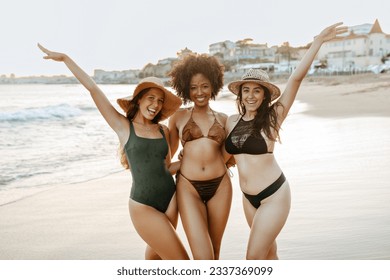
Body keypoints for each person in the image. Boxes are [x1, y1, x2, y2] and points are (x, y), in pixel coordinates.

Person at [37, 44, 189, 260]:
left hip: (171, 201)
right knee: (182, 263)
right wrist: (65, 58)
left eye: (160, 100)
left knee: (155, 262)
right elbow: (93, 89)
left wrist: (184, 162)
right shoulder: (123, 126)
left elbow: (165, 168)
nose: (155, 105)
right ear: (139, 99)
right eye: (151, 98)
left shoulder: (163, 130)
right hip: (143, 207)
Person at [224, 22, 348, 259]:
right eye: (246, 90)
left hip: (273, 195)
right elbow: (224, 154)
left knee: (252, 259)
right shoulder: (230, 121)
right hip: (248, 198)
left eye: (257, 91)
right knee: (269, 255)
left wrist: (318, 41)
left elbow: (296, 80)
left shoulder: (273, 117)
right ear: (240, 94)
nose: (251, 95)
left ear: (265, 95)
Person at [168, 53, 232, 259]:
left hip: (220, 186)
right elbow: (166, 159)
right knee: (203, 257)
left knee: (215, 253)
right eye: (193, 87)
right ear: (186, 89)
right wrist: (182, 163)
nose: (199, 92)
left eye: (204, 86)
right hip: (188, 188)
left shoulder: (224, 120)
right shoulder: (178, 117)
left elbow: (232, 155)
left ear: (213, 85)